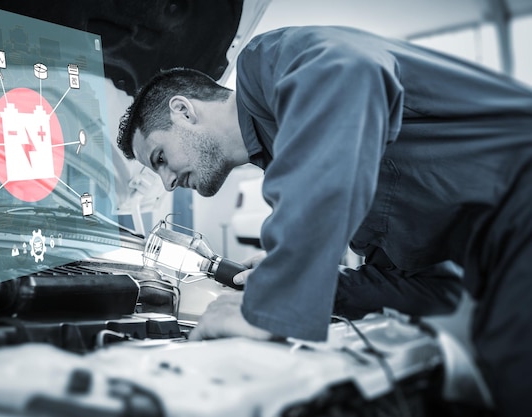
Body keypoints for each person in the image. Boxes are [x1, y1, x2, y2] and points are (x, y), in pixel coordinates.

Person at [117, 25, 532, 417]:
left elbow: (353, 70)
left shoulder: (270, 63)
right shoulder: (307, 161)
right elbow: (434, 289)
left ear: (184, 111)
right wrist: (324, 284)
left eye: (160, 159)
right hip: (500, 255)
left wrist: (279, 295)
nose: (168, 183)